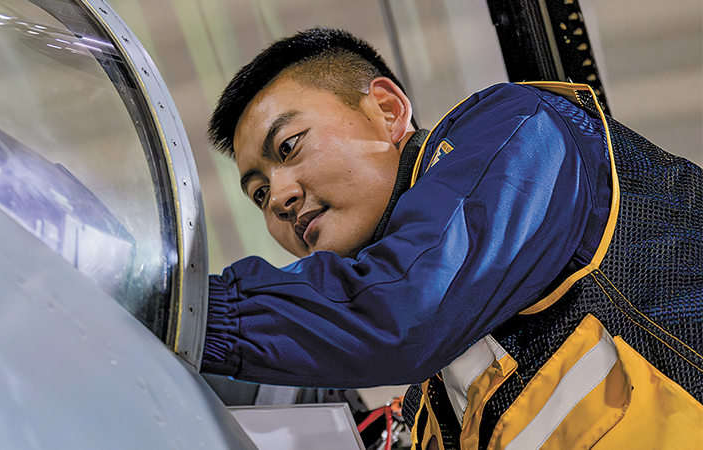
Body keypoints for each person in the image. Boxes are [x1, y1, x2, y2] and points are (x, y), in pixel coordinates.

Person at [201, 27, 702, 449]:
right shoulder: (434, 406)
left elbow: (408, 308)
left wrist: (200, 312)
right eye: (259, 192)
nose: (279, 198)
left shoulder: (519, 128)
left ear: (387, 110)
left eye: (289, 146)